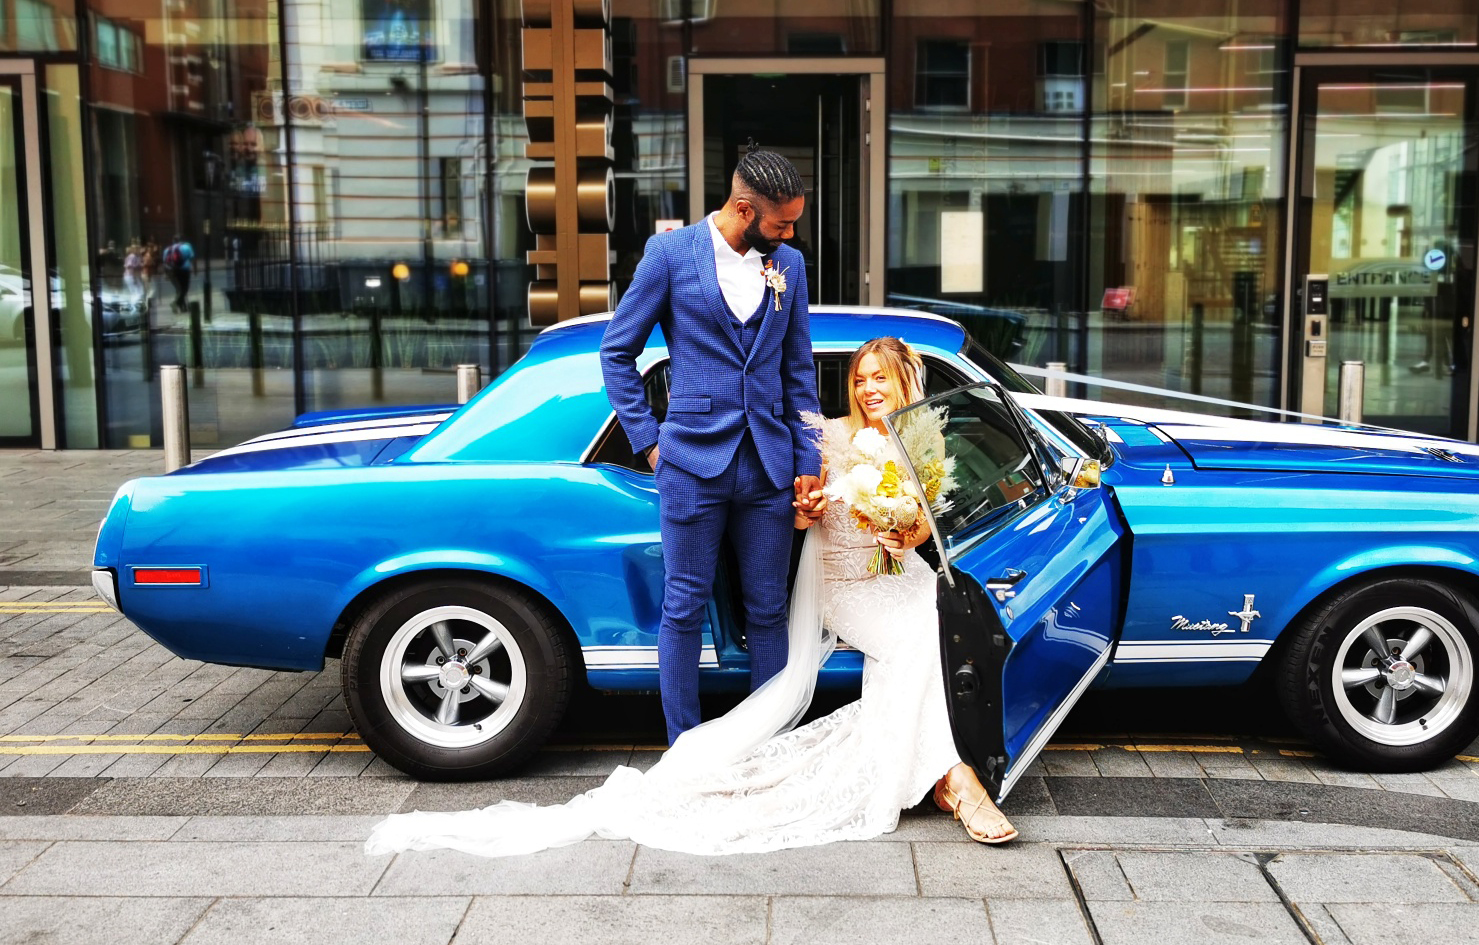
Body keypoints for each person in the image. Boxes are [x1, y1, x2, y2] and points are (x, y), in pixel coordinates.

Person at [364, 338, 1017, 857]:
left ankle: (937, 772)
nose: (869, 387)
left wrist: (900, 523)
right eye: (861, 377)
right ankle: (955, 780)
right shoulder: (825, 435)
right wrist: (811, 503)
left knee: (933, 630)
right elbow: (800, 513)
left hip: (898, 572)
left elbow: (919, 531)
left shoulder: (923, 441)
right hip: (844, 582)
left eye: (881, 377)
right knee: (916, 641)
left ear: (909, 384)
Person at [599, 145, 824, 746]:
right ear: (744, 208)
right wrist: (651, 444)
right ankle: (685, 748)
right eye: (781, 223)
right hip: (691, 463)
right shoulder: (671, 255)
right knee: (683, 607)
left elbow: (798, 370)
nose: (790, 233)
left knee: (769, 610)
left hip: (769, 465)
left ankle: (765, 744)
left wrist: (808, 459)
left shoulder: (790, 267)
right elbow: (617, 351)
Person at [162, 235, 194, 314]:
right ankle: (175, 303)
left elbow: (164, 262)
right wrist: (195, 269)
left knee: (179, 289)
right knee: (184, 289)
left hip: (171, 271)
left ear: (173, 241)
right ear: (181, 240)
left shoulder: (167, 249)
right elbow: (192, 258)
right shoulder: (186, 247)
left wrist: (166, 273)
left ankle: (183, 308)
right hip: (184, 270)